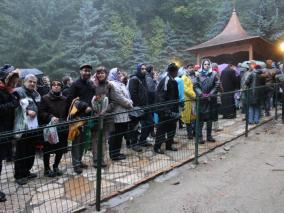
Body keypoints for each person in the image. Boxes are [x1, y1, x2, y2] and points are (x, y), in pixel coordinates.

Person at [67, 64, 96, 174]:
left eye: (89, 71)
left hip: (88, 117)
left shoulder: (90, 84)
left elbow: (92, 98)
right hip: (77, 117)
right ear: (80, 71)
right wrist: (84, 106)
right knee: (76, 141)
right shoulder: (75, 84)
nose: (87, 73)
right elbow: (71, 100)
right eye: (85, 71)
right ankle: (76, 164)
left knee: (83, 140)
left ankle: (79, 160)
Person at [14, 74, 41, 185]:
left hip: (33, 127)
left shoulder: (36, 93)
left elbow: (38, 106)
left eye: (34, 82)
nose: (32, 84)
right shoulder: (18, 92)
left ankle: (27, 171)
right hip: (22, 127)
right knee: (21, 151)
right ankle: (19, 175)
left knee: (30, 151)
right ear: (24, 81)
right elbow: (14, 108)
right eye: (30, 81)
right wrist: (26, 112)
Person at [39, 80, 68, 177]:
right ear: (51, 87)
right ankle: (47, 169)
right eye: (54, 85)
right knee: (47, 149)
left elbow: (67, 112)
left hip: (62, 127)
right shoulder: (45, 98)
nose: (56, 86)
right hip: (50, 128)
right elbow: (41, 112)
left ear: (61, 87)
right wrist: (50, 117)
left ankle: (56, 166)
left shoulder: (64, 99)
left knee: (60, 149)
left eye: (58, 85)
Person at [0, 65, 20, 201]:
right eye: (11, 78)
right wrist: (13, 104)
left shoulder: (9, 91)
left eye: (15, 78)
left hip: (5, 131)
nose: (14, 81)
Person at [91, 66, 114, 167]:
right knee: (95, 138)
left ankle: (102, 159)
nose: (100, 75)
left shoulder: (109, 85)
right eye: (98, 73)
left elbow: (113, 101)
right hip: (96, 116)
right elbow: (90, 100)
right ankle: (96, 160)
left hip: (106, 116)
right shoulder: (93, 85)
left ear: (106, 74)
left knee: (104, 139)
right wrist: (96, 110)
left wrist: (105, 109)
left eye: (102, 73)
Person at [108, 68, 133, 160]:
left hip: (123, 113)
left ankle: (117, 153)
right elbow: (118, 97)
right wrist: (130, 104)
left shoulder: (120, 83)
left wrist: (129, 101)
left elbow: (126, 95)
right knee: (115, 136)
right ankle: (114, 155)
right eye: (117, 73)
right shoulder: (112, 84)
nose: (119, 74)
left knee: (119, 135)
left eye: (120, 73)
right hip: (117, 114)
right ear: (113, 74)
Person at [154, 63, 179, 154]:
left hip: (172, 110)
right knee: (161, 129)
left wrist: (176, 109)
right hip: (164, 111)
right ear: (173, 72)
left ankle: (169, 145)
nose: (177, 73)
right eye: (176, 71)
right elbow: (161, 97)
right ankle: (157, 147)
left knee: (172, 128)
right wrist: (165, 110)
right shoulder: (165, 80)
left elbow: (175, 97)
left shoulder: (174, 81)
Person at [193, 59, 219, 144]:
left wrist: (210, 94)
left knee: (210, 119)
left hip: (211, 100)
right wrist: (201, 94)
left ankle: (209, 136)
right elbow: (195, 86)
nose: (207, 66)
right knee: (200, 120)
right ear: (202, 65)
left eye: (208, 64)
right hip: (201, 100)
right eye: (205, 64)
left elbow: (217, 85)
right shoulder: (198, 74)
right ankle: (199, 137)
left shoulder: (214, 74)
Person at [128, 63, 149, 151]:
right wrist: (137, 106)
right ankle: (134, 144)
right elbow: (133, 93)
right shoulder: (134, 79)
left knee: (148, 123)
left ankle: (142, 140)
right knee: (135, 126)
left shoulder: (143, 79)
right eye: (142, 69)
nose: (144, 70)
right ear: (138, 69)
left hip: (144, 106)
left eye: (145, 69)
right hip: (137, 107)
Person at [181, 64, 196, 139]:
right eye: (190, 68)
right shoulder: (184, 78)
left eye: (192, 68)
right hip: (188, 100)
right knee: (188, 119)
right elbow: (185, 89)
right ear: (186, 69)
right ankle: (189, 134)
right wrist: (194, 95)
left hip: (193, 101)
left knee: (194, 117)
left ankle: (194, 132)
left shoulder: (193, 76)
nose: (191, 69)